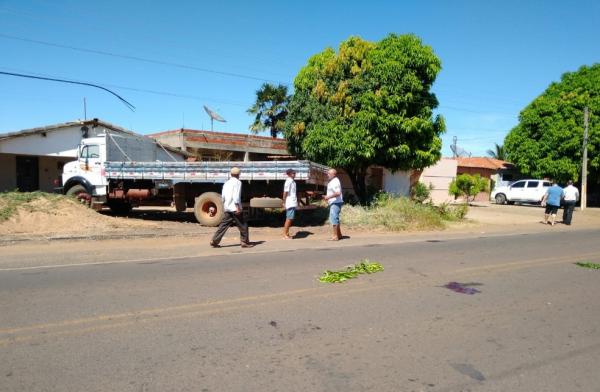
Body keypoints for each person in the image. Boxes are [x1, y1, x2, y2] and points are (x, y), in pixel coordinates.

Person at [210, 167, 253, 248]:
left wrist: (225, 205)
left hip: (228, 207)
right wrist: (237, 207)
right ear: (238, 174)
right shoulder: (238, 182)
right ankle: (244, 242)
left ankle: (214, 240)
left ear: (231, 174)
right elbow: (236, 196)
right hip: (234, 208)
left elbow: (223, 197)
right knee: (243, 225)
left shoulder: (226, 183)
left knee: (223, 225)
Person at [323, 168, 344, 241]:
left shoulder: (335, 181)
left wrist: (328, 197)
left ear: (333, 174)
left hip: (336, 202)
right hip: (335, 202)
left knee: (334, 219)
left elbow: (338, 193)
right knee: (336, 218)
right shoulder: (333, 181)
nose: (327, 174)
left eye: (329, 173)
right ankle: (339, 235)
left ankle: (335, 236)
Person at [282, 168, 297, 239]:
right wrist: (284, 201)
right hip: (290, 202)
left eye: (294, 173)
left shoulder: (292, 181)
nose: (294, 174)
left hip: (292, 202)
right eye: (293, 173)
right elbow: (285, 192)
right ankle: (285, 234)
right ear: (288, 174)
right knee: (289, 218)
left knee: (290, 218)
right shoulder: (288, 181)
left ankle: (286, 234)